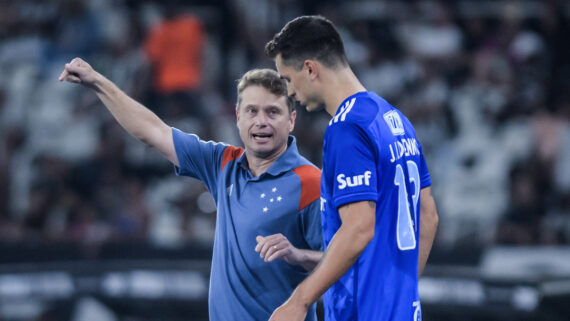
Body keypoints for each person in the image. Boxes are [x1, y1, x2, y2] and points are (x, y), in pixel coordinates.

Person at [58, 59, 324, 321]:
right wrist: (97, 81)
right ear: (238, 117)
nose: (261, 121)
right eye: (252, 111)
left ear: (291, 120)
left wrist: (298, 254)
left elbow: (349, 260)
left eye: (273, 112)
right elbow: (152, 131)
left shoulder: (310, 182)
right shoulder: (223, 164)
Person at [265, 15, 439, 321]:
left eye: (288, 79)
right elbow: (428, 216)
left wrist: (300, 301)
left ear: (310, 68)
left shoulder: (347, 128)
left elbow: (359, 228)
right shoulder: (393, 118)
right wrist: (400, 294)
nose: (289, 92)